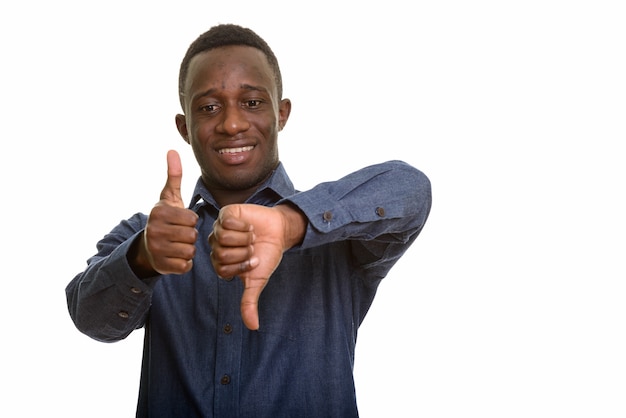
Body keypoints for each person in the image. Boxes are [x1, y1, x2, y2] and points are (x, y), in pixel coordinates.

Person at [65, 23, 432, 418]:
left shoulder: (338, 234)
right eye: (209, 107)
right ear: (185, 127)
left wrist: (289, 224)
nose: (232, 124)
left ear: (282, 112)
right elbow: (91, 318)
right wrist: (141, 258)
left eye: (253, 102)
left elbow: (411, 189)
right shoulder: (144, 238)